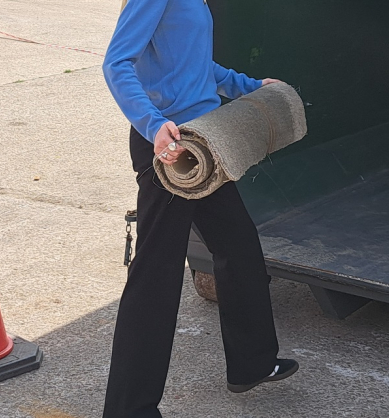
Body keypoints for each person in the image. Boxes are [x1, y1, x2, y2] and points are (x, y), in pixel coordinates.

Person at [100, 0, 297, 416]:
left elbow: (195, 66)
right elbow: (117, 63)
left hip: (206, 144)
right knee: (156, 274)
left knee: (239, 247)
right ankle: (129, 409)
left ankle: (252, 364)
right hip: (171, 152)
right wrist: (154, 126)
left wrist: (251, 86)